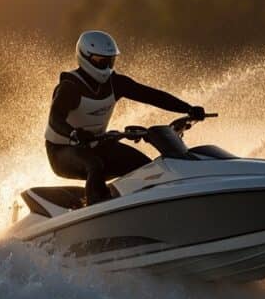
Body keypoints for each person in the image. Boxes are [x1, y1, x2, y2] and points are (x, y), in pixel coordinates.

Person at [45, 30, 206, 205]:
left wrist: (188, 109)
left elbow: (152, 96)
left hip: (95, 146)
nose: (106, 67)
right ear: (85, 57)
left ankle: (148, 205)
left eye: (110, 61)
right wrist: (74, 134)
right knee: (94, 165)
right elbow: (55, 120)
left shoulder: (115, 83)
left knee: (145, 167)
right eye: (101, 61)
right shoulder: (70, 87)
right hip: (61, 152)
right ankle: (96, 210)